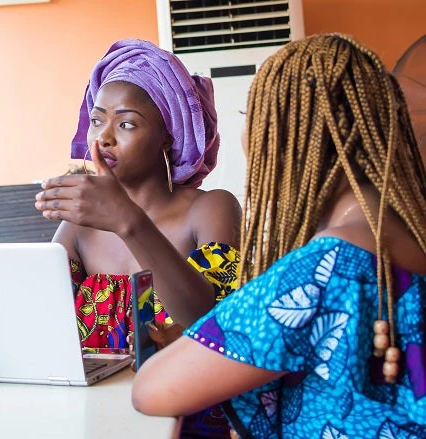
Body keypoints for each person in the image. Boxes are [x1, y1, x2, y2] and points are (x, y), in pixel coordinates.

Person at [131, 34, 426, 438]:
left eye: (251, 116)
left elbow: (151, 390)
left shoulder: (329, 265)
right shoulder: (411, 236)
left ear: (290, 136)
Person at [35, 39, 241, 438]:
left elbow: (209, 323)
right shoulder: (81, 225)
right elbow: (39, 313)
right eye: (97, 121)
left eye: (126, 123)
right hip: (92, 417)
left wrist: (129, 221)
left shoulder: (210, 208)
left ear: (168, 135)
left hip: (183, 416)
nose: (105, 138)